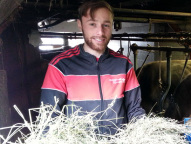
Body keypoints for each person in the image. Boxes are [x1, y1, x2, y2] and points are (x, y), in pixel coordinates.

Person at [40, 0, 146, 136]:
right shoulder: (60, 66)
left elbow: (134, 109)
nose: (100, 32)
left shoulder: (123, 65)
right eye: (92, 24)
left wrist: (143, 135)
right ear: (80, 25)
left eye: (106, 25)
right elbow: (49, 116)